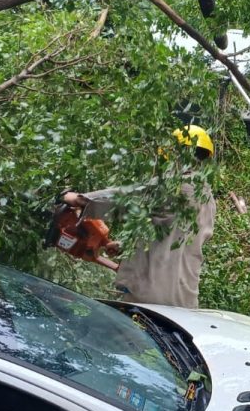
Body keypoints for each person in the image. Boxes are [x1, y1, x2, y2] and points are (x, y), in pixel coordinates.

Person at [62, 125, 216, 308]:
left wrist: (79, 199)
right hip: (185, 298)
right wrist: (127, 246)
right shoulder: (207, 198)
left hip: (150, 298)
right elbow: (175, 235)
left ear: (177, 154)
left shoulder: (171, 188)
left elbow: (122, 198)